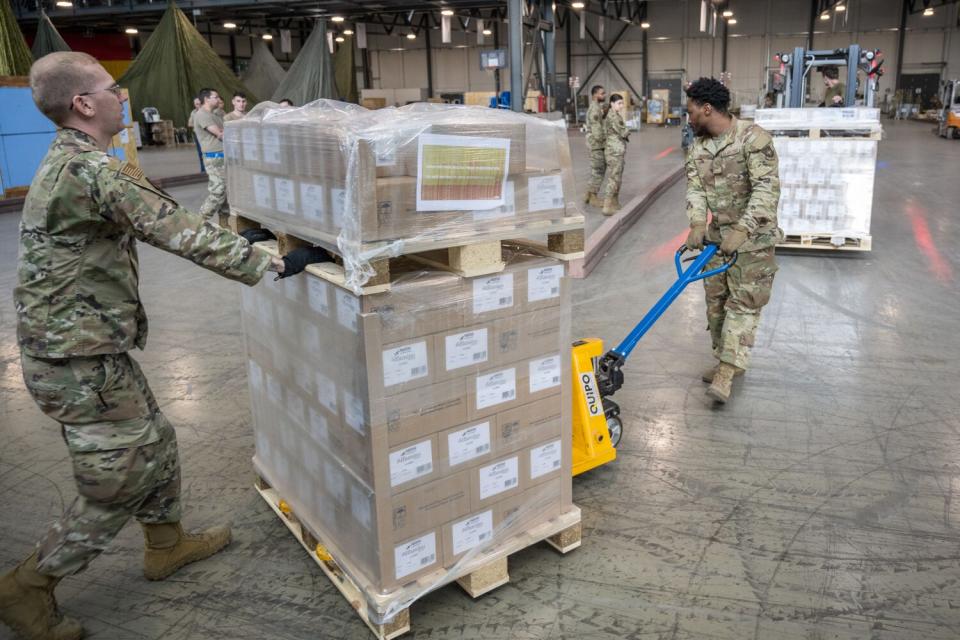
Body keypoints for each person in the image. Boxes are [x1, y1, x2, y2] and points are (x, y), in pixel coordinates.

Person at [0, 52, 329, 640]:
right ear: (83, 104)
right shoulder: (91, 171)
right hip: (74, 358)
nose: (121, 96)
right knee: (117, 480)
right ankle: (27, 589)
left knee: (157, 438)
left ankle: (166, 544)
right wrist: (277, 260)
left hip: (89, 346)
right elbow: (175, 230)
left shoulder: (78, 161)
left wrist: (245, 230)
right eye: (111, 88)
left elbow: (165, 218)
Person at [683, 77, 782, 404]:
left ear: (707, 108)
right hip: (717, 240)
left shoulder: (753, 139)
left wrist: (745, 228)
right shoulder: (698, 145)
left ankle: (727, 369)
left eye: (691, 111)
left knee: (744, 303)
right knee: (716, 304)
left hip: (753, 242)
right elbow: (696, 187)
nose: (689, 118)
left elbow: (766, 188)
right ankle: (726, 358)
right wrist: (697, 221)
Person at [193, 88, 229, 223]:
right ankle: (198, 223)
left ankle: (225, 225)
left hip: (222, 156)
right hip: (214, 158)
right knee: (218, 191)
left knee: (226, 194)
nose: (218, 100)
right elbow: (220, 134)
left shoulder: (215, 115)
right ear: (206, 99)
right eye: (216, 97)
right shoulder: (202, 114)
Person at [600, 93, 628, 216]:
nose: (621, 106)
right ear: (612, 104)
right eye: (619, 103)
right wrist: (627, 129)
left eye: (622, 103)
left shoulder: (615, 114)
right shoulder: (613, 117)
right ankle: (607, 206)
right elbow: (623, 132)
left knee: (618, 178)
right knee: (614, 178)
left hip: (617, 150)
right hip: (614, 151)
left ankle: (615, 202)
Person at [583, 84, 606, 207]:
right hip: (597, 144)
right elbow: (597, 132)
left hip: (594, 143)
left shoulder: (596, 107)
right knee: (599, 170)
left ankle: (588, 194)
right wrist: (606, 142)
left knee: (595, 170)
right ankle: (593, 197)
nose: (604, 95)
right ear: (595, 95)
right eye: (602, 93)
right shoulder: (595, 109)